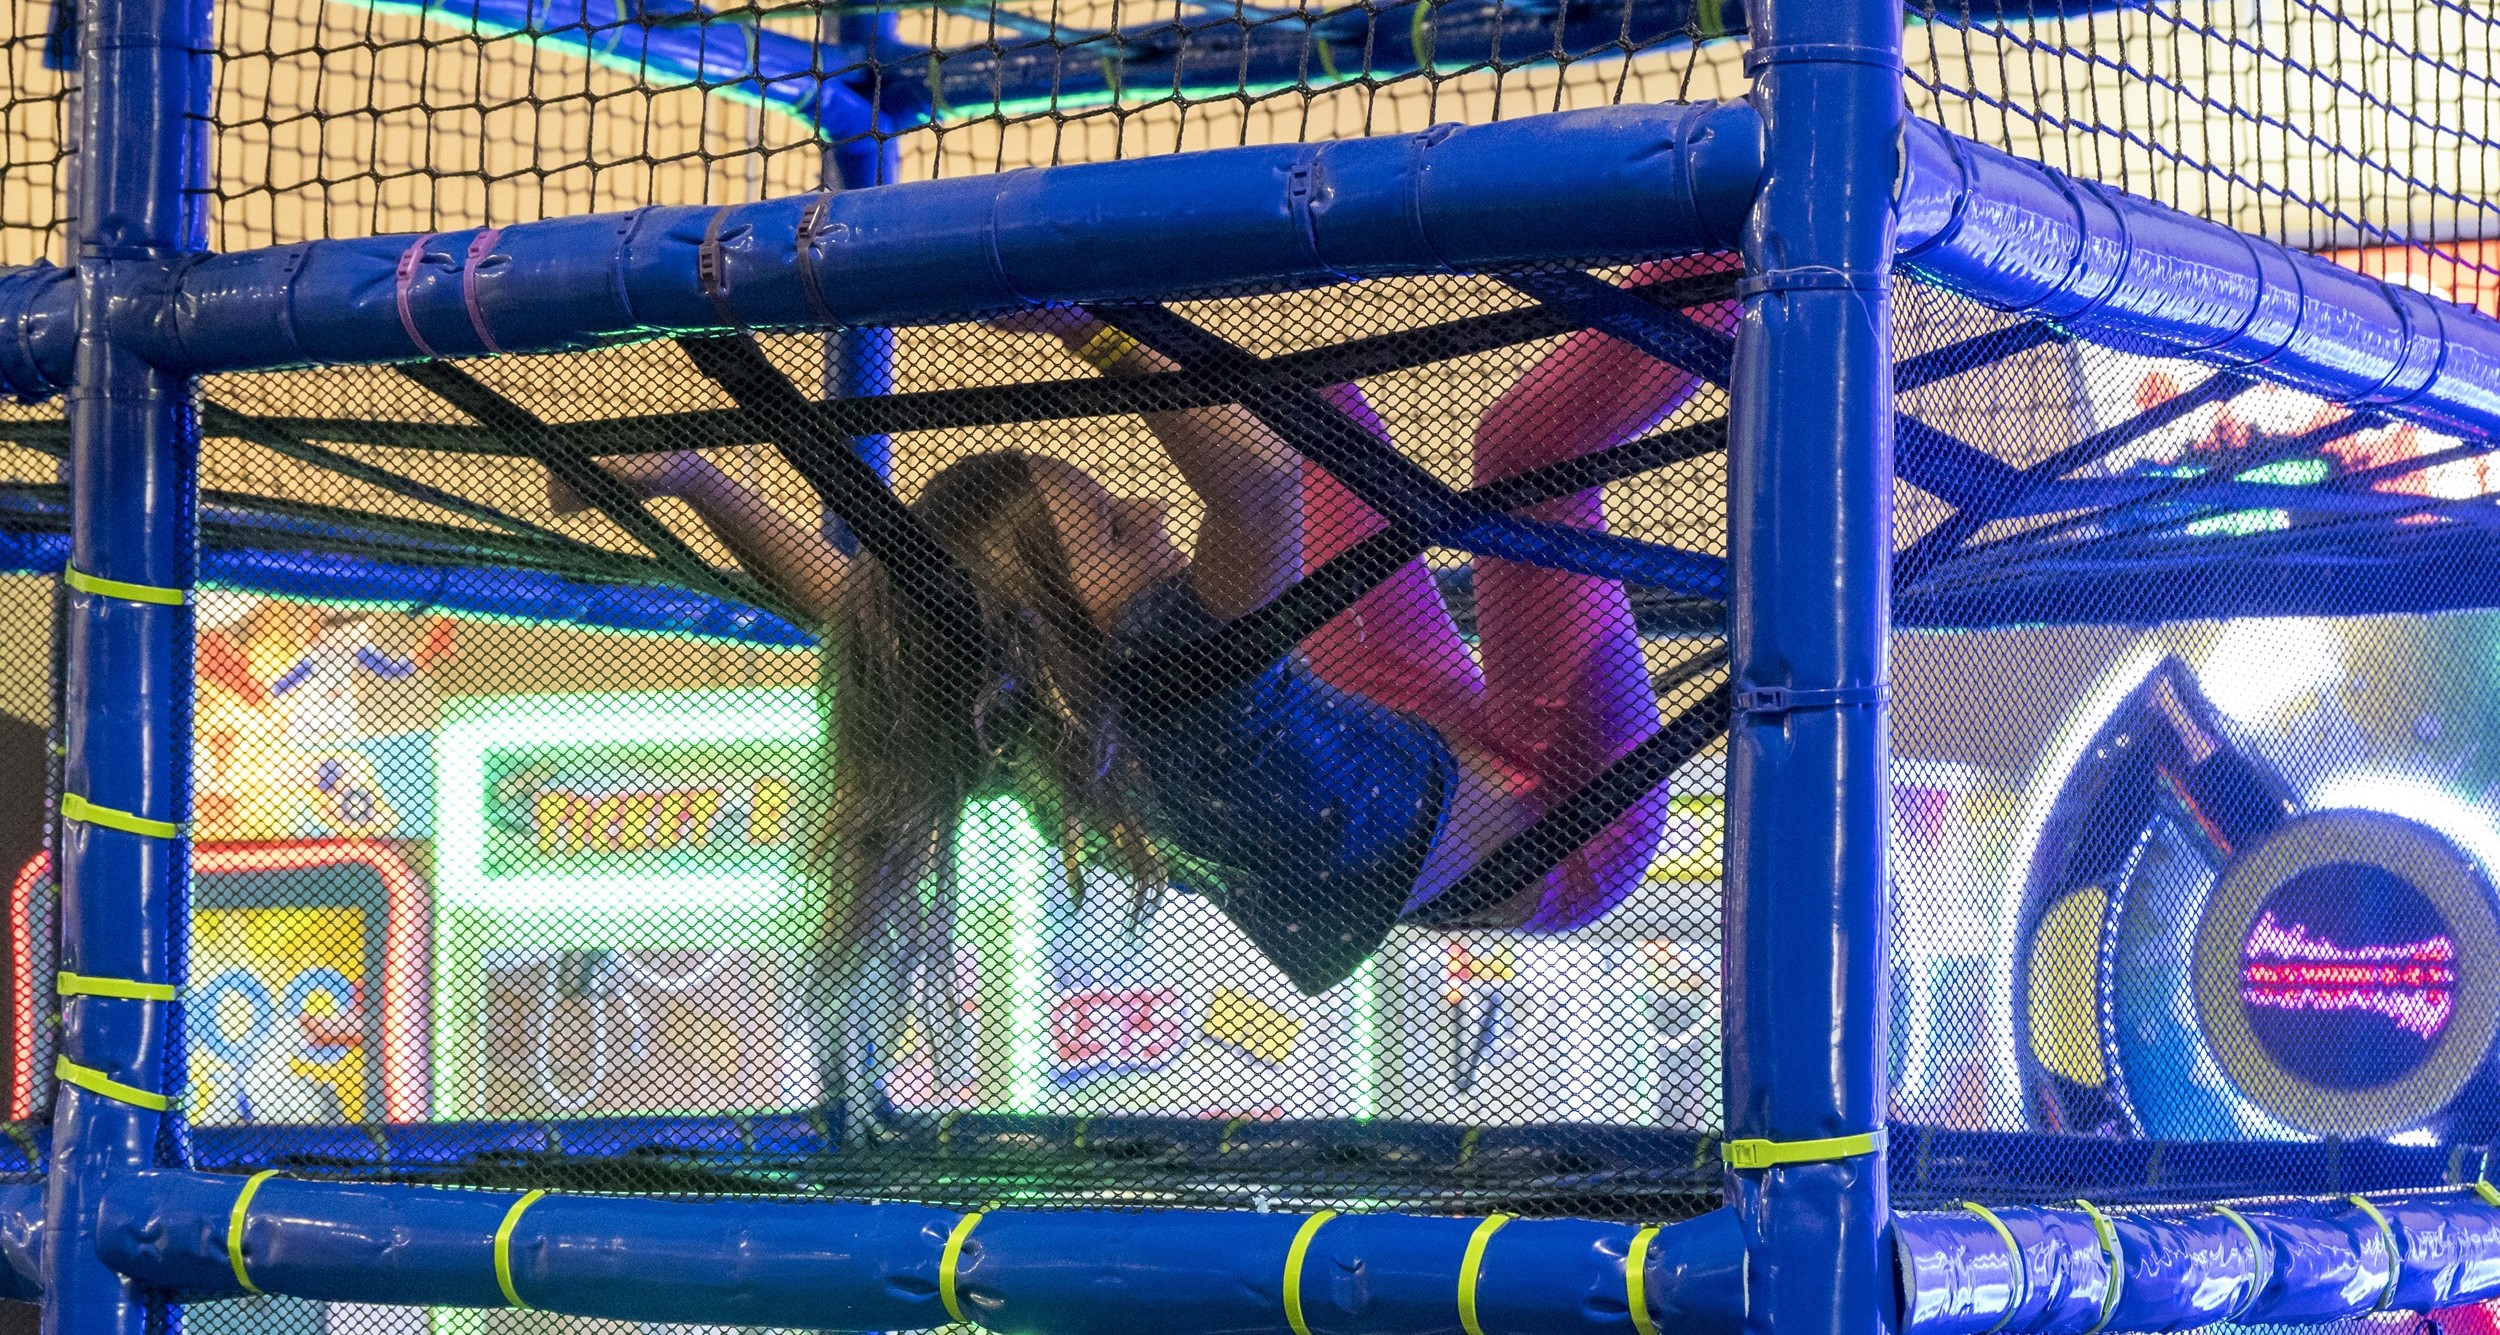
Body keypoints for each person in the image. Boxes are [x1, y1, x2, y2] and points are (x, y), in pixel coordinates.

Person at [551, 282, 1719, 993]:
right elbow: (1252, 490)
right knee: (1523, 451)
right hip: (1556, 830)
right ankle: (1767, 259)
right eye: (1114, 526)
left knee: (1314, 412)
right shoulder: (1202, 694)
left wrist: (698, 481)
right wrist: (1091, 330)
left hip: (1388, 745)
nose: (1150, 512)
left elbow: (861, 604)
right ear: (1055, 619)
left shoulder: (1037, 711)